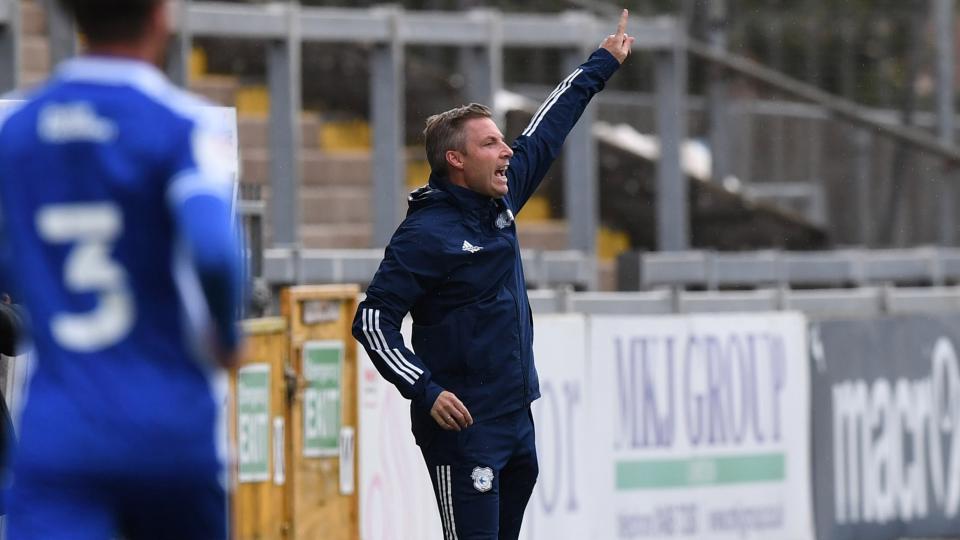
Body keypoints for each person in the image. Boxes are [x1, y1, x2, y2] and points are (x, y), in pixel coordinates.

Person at [352, 9, 634, 539]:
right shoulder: (425, 234)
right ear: (456, 160)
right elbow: (372, 320)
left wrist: (602, 63)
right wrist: (424, 388)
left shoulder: (499, 202)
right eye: (490, 144)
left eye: (503, 142)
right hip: (465, 429)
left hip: (515, 421)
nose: (507, 152)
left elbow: (547, 128)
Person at [0, 0, 244, 537]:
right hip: (168, 424)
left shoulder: (17, 132)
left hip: (62, 431)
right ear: (161, 16)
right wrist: (226, 337)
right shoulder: (184, 125)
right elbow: (214, 251)